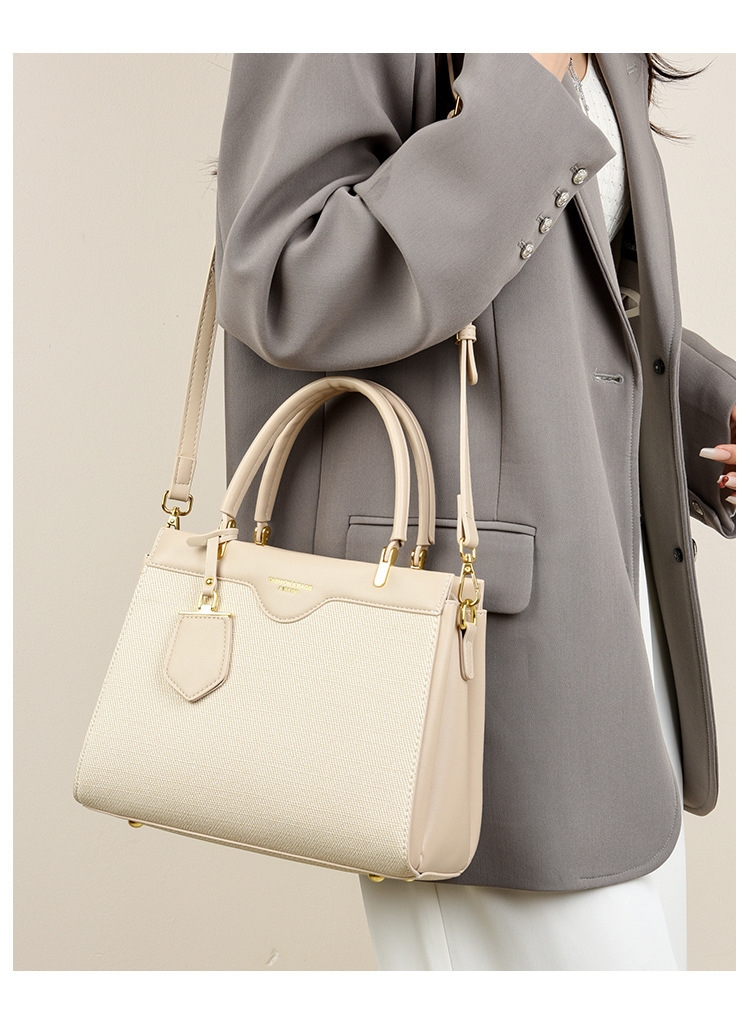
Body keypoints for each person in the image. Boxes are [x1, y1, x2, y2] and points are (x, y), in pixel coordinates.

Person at [215, 53, 736, 970]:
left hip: (609, 626)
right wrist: (528, 81)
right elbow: (285, 281)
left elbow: (572, 284)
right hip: (462, 647)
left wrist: (710, 405)